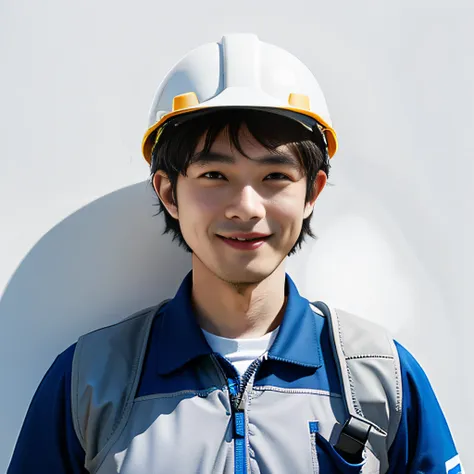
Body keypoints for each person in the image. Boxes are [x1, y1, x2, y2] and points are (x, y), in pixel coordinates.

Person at [8, 34, 462, 474]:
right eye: (214, 175)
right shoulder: (90, 380)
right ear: (169, 191)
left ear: (312, 192)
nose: (246, 207)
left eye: (275, 177)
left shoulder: (380, 377)